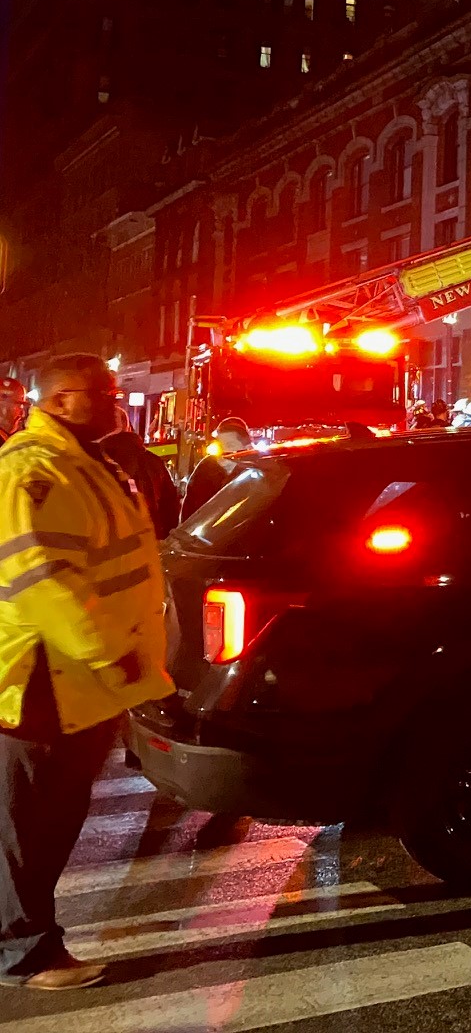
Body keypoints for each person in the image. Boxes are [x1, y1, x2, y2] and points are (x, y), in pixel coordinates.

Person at [0, 355, 172, 990]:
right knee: (27, 826)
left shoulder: (84, 460)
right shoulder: (35, 471)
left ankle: (26, 941)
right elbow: (44, 585)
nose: (115, 401)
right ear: (63, 400)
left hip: (78, 680)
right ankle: (21, 953)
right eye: (102, 393)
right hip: (44, 680)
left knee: (47, 820)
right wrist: (112, 656)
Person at [97, 409, 181, 540]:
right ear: (128, 426)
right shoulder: (153, 461)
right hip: (150, 543)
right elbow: (170, 509)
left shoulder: (96, 462)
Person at [181, 416, 252, 517]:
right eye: (220, 445)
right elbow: (190, 513)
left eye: (230, 445)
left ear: (248, 449)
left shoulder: (257, 473)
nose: (223, 451)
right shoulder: (204, 471)